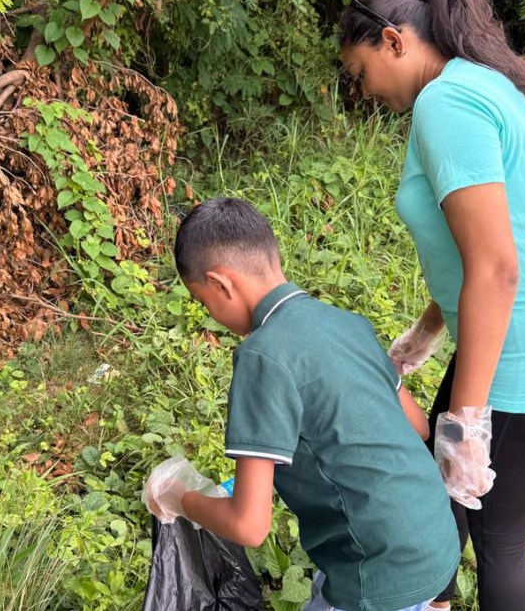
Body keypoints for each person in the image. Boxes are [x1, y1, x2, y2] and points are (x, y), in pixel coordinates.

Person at [337, 0, 525, 611]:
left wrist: (466, 425)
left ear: (392, 41)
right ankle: (429, 596)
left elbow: (496, 266)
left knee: (492, 531)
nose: (363, 93)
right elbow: (481, 241)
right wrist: (430, 329)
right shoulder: (475, 85)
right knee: (445, 506)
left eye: (359, 74)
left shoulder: (447, 105)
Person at [143, 197, 460, 611]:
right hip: (436, 542)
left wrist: (179, 497)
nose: (212, 315)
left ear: (221, 284)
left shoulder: (261, 356)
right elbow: (416, 427)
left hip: (380, 576)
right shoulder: (347, 323)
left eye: (205, 303)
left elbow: (249, 526)